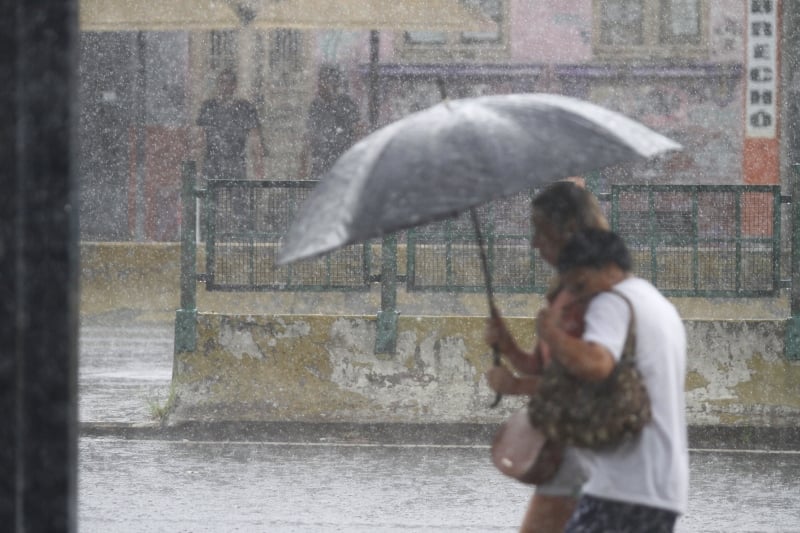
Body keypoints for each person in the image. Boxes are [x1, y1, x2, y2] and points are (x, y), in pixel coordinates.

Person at [540, 228, 689, 532]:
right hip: (662, 486)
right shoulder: (656, 302)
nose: (580, 295)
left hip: (625, 483)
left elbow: (597, 364)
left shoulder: (612, 302)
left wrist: (552, 335)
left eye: (580, 283)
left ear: (606, 267)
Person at [484, 180, 610, 533]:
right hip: (562, 446)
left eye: (542, 232)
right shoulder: (564, 292)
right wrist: (508, 346)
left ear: (568, 232)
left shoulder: (594, 298)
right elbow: (544, 367)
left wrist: (515, 385)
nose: (535, 243)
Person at [196, 67, 267, 182]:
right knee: (213, 198)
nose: (225, 87)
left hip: (236, 167)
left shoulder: (245, 108)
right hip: (212, 168)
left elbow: (255, 139)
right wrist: (198, 169)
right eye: (222, 82)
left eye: (229, 83)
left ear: (235, 86)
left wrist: (258, 165)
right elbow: (200, 141)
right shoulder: (208, 107)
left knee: (236, 197)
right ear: (218, 85)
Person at [301, 64, 363, 179]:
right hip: (319, 169)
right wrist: (303, 168)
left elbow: (358, 132)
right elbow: (308, 137)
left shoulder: (346, 104)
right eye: (319, 81)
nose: (319, 86)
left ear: (333, 83)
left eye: (323, 81)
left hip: (342, 167)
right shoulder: (316, 106)